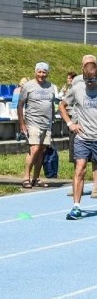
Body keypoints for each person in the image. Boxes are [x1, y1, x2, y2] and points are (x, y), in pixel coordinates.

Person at [59, 61, 97, 220]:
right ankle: (76, 207)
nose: (90, 84)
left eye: (93, 80)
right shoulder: (77, 89)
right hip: (82, 137)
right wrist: (70, 123)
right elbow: (61, 106)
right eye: (87, 80)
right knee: (80, 169)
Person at [17, 62, 56, 189]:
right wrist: (22, 123)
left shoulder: (50, 87)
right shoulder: (28, 86)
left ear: (47, 73)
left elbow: (51, 104)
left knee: (41, 151)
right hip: (33, 123)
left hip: (47, 123)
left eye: (44, 72)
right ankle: (26, 178)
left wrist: (52, 119)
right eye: (39, 72)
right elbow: (20, 105)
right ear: (35, 72)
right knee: (33, 149)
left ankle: (36, 178)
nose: (41, 75)